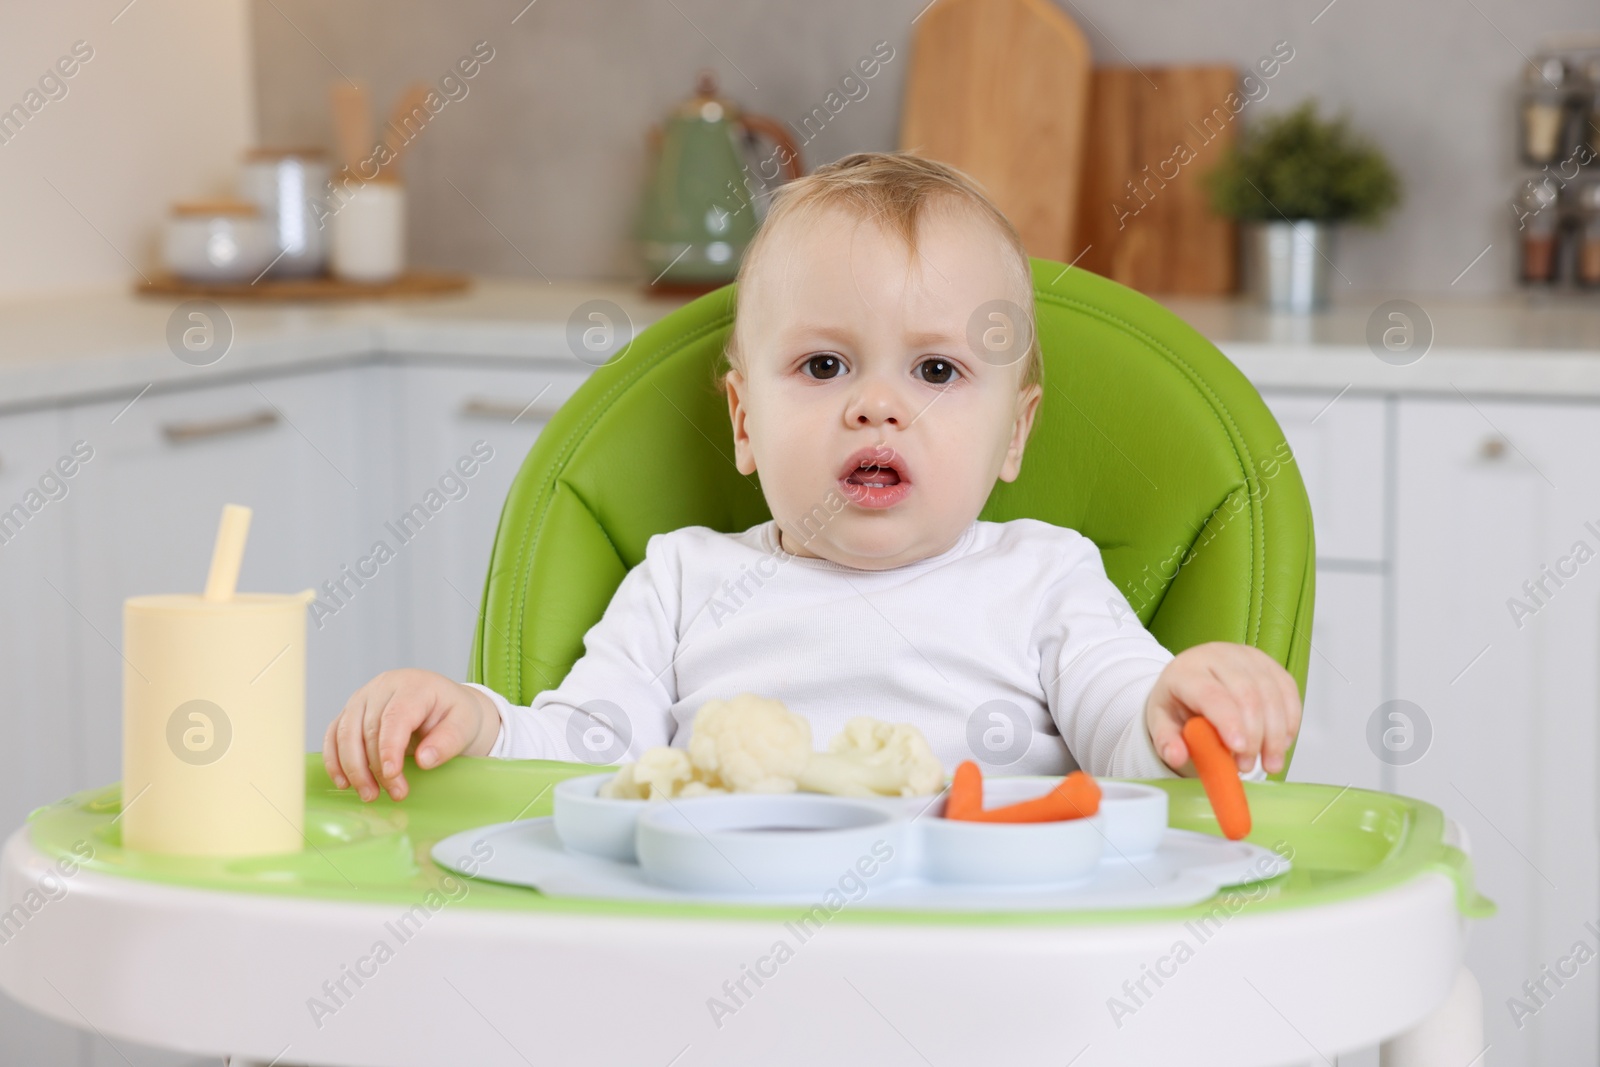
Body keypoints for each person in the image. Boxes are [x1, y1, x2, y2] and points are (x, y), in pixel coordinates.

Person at [323, 151, 1302, 804]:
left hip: (987, 962)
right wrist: (475, 720)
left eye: (935, 370)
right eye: (824, 366)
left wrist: (1175, 703)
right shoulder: (681, 581)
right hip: (722, 964)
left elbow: (1124, 735)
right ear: (744, 419)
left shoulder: (1044, 578)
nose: (876, 407)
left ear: (1015, 434)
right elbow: (584, 750)